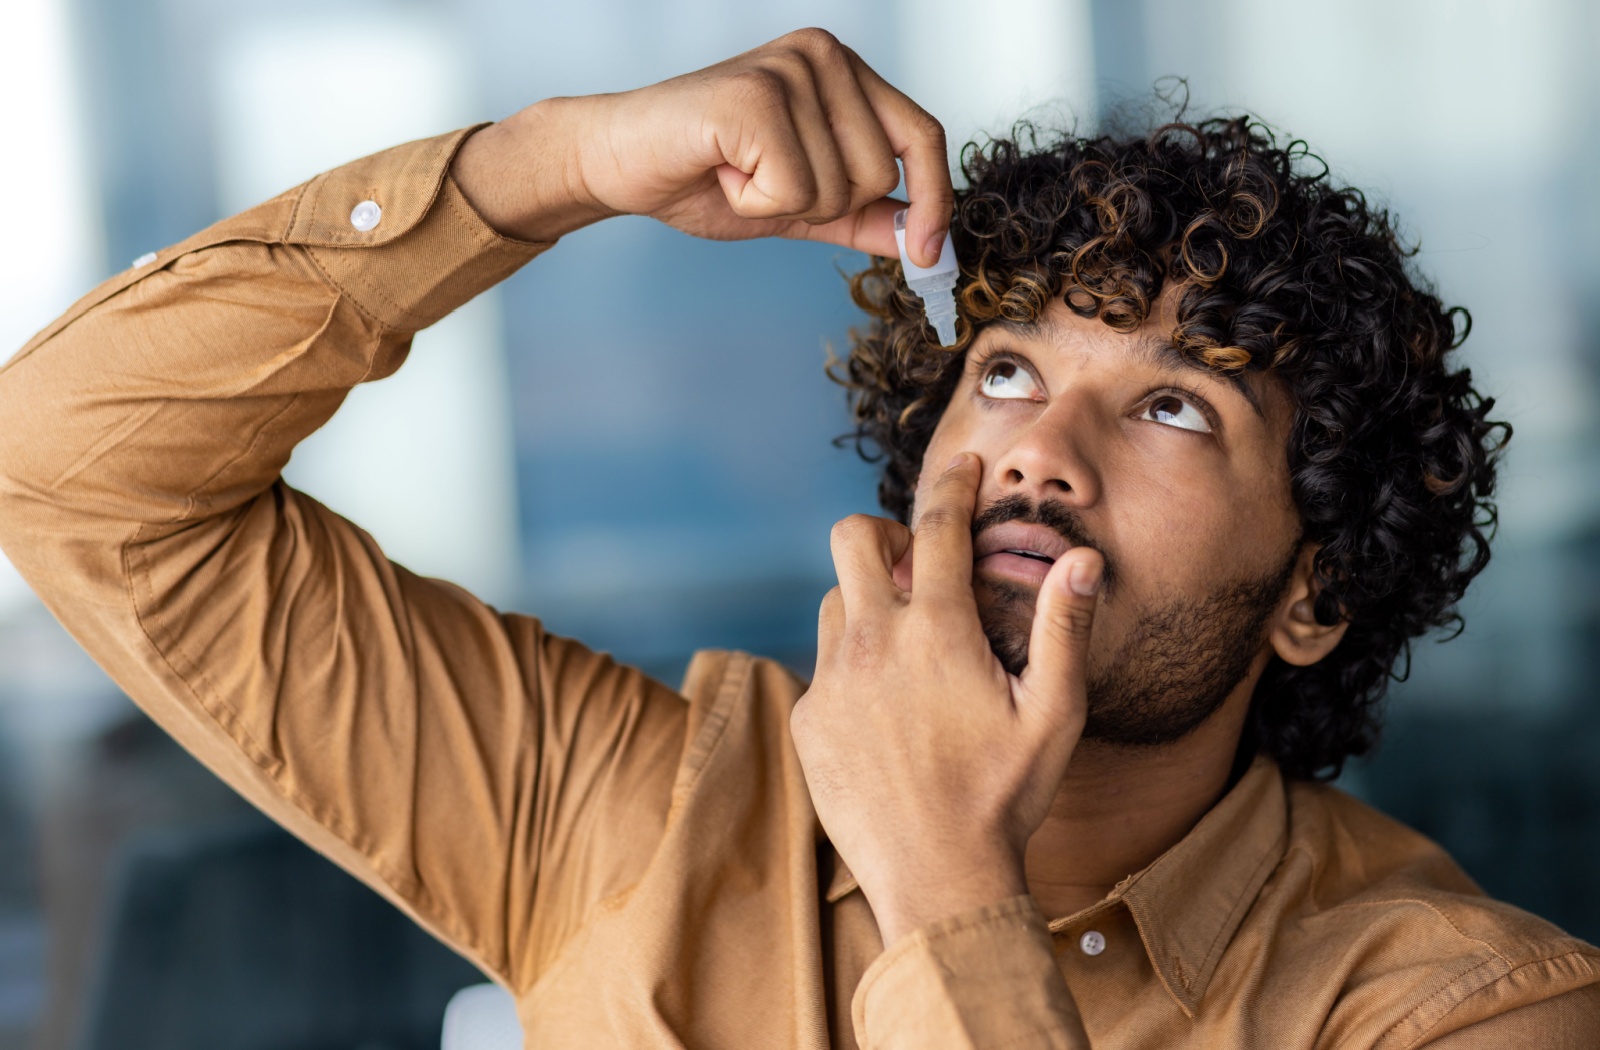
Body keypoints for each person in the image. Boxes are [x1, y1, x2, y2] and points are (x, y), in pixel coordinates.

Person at [0, 26, 1595, 1049]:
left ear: (1313, 592)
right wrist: (551, 166)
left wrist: (946, 884)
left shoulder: (1464, 1012)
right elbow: (71, 469)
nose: (1039, 445)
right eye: (1011, 368)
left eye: (1175, 407)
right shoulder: (632, 803)